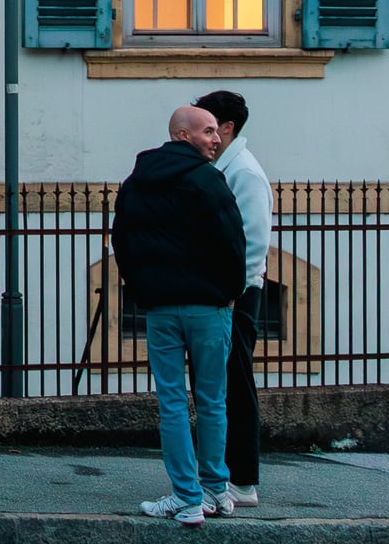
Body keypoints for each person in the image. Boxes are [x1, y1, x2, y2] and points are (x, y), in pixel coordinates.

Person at [111, 105, 246, 527]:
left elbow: (122, 242)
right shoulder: (208, 179)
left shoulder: (137, 182)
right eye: (208, 131)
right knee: (212, 401)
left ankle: (187, 497)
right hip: (209, 307)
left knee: (172, 403)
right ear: (183, 135)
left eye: (216, 131)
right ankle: (214, 490)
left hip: (162, 308)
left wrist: (143, 291)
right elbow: (232, 241)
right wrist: (230, 293)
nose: (216, 139)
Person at [195, 88, 270, 510]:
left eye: (208, 125)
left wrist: (229, 294)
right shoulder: (226, 167)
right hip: (226, 292)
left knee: (235, 384)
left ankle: (242, 479)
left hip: (236, 295)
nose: (203, 133)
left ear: (226, 128)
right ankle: (227, 475)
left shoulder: (244, 172)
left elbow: (254, 243)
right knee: (222, 384)